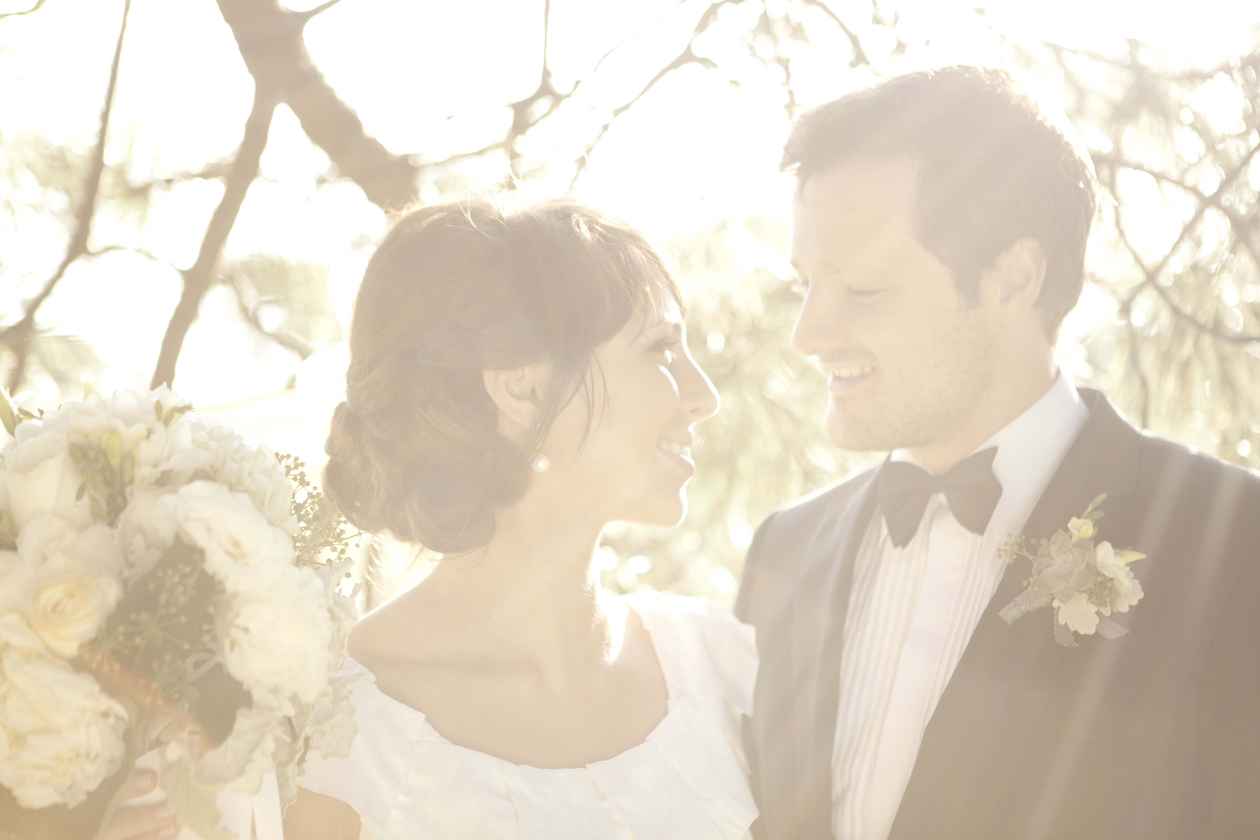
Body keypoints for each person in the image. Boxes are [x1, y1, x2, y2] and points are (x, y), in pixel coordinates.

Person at [735, 65, 1260, 840]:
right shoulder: (785, 551)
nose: (808, 336)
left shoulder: (1231, 542)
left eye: (864, 290)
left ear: (1013, 277)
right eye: (803, 286)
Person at [283, 200, 757, 839]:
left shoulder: (721, 669)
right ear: (521, 389)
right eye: (661, 350)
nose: (704, 396)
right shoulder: (335, 733)